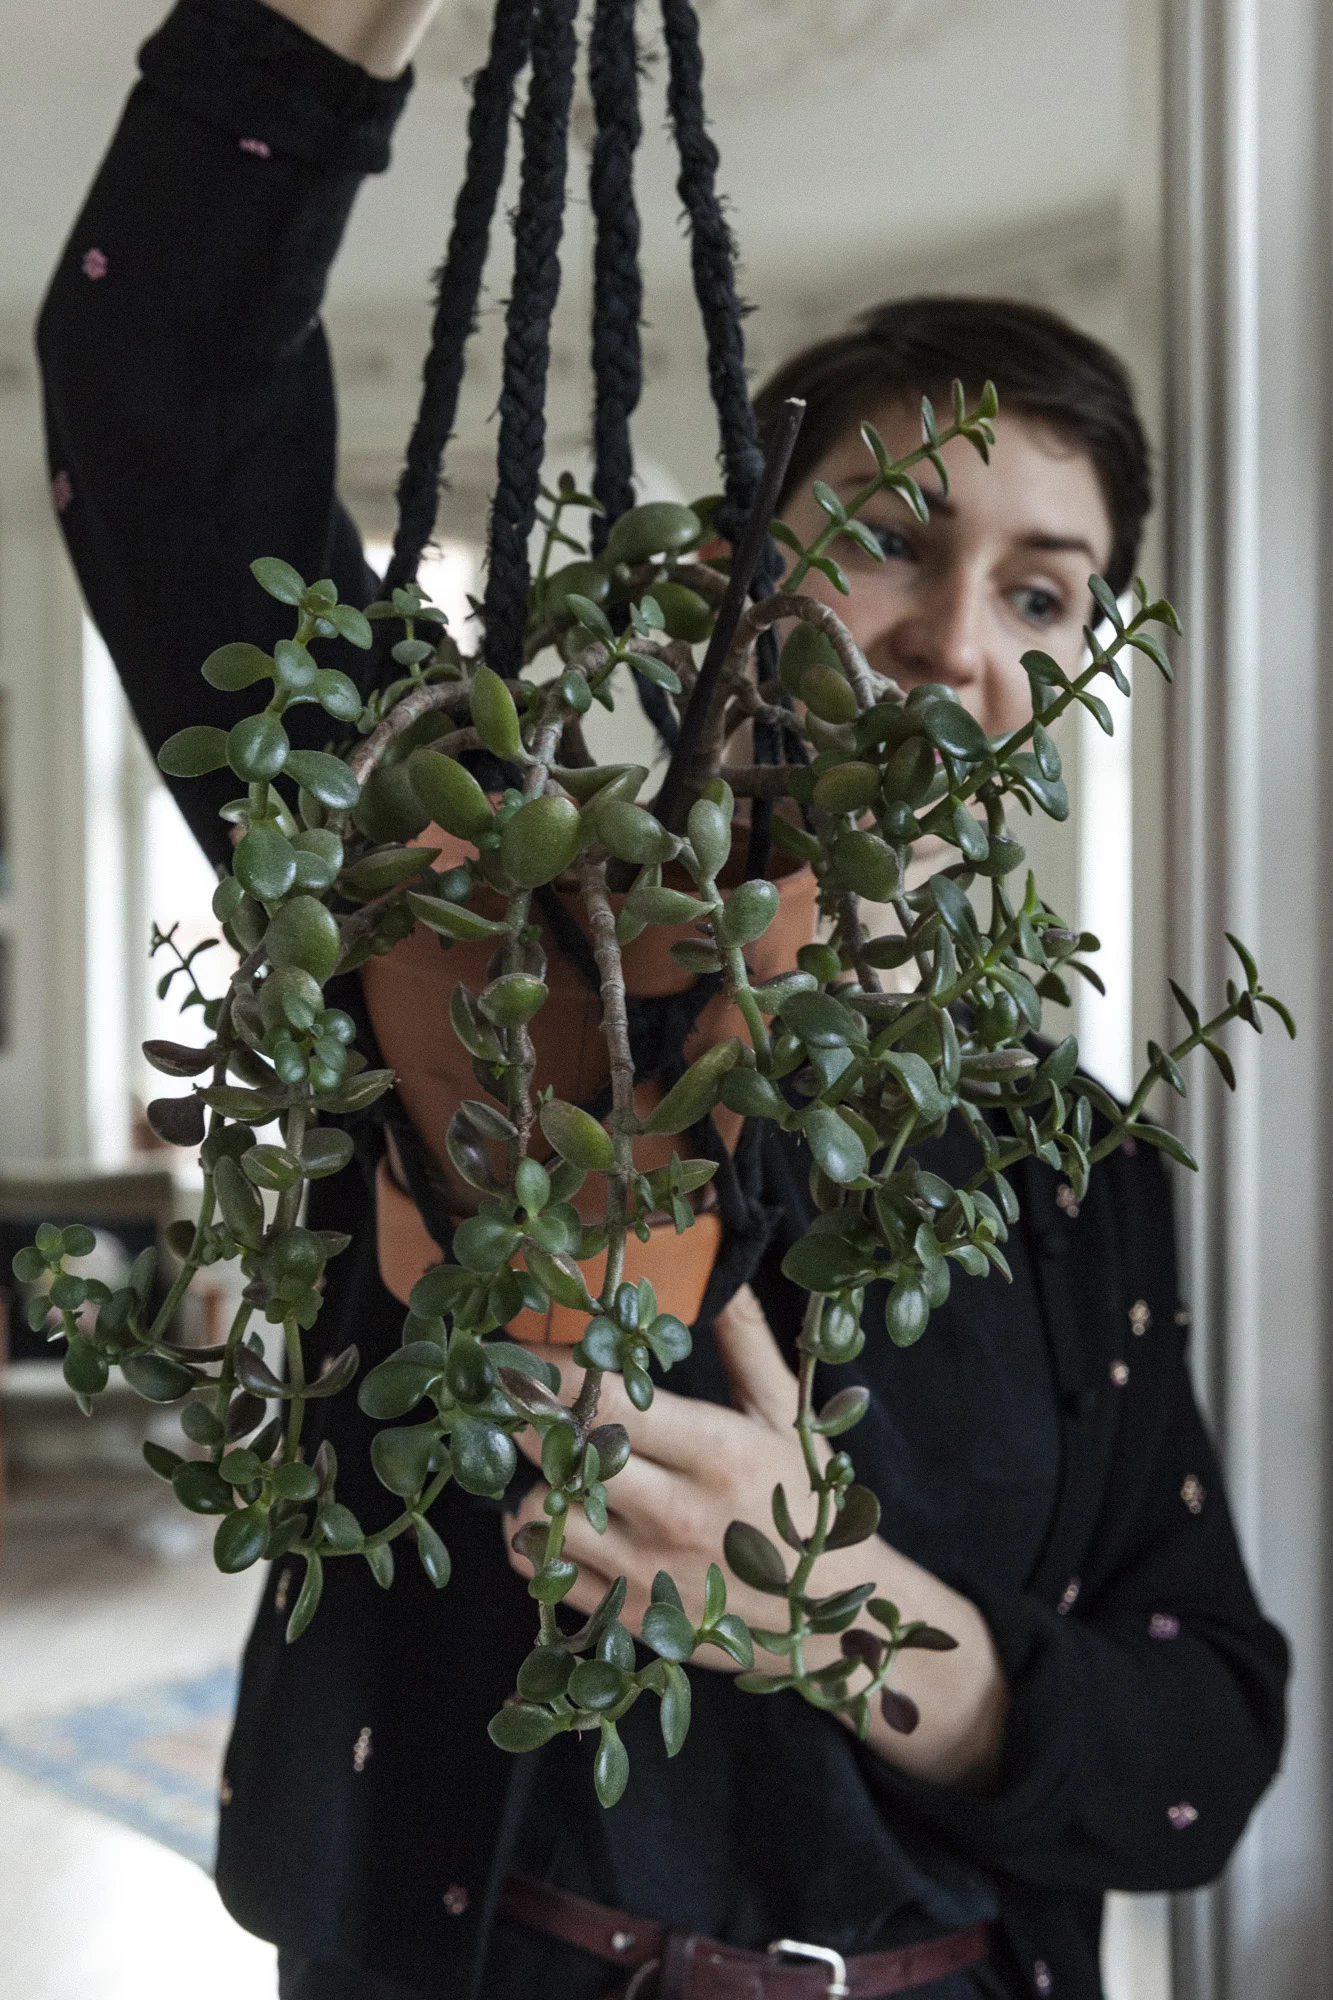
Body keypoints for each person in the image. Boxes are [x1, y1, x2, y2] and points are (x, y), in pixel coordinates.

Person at [37, 3, 1288, 1997]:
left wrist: (839, 1613)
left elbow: (1200, 1749)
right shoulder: (490, 927)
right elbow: (158, 392)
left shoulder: (1070, 1171)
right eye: (892, 537)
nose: (954, 637)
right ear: (733, 589)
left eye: (1044, 593)